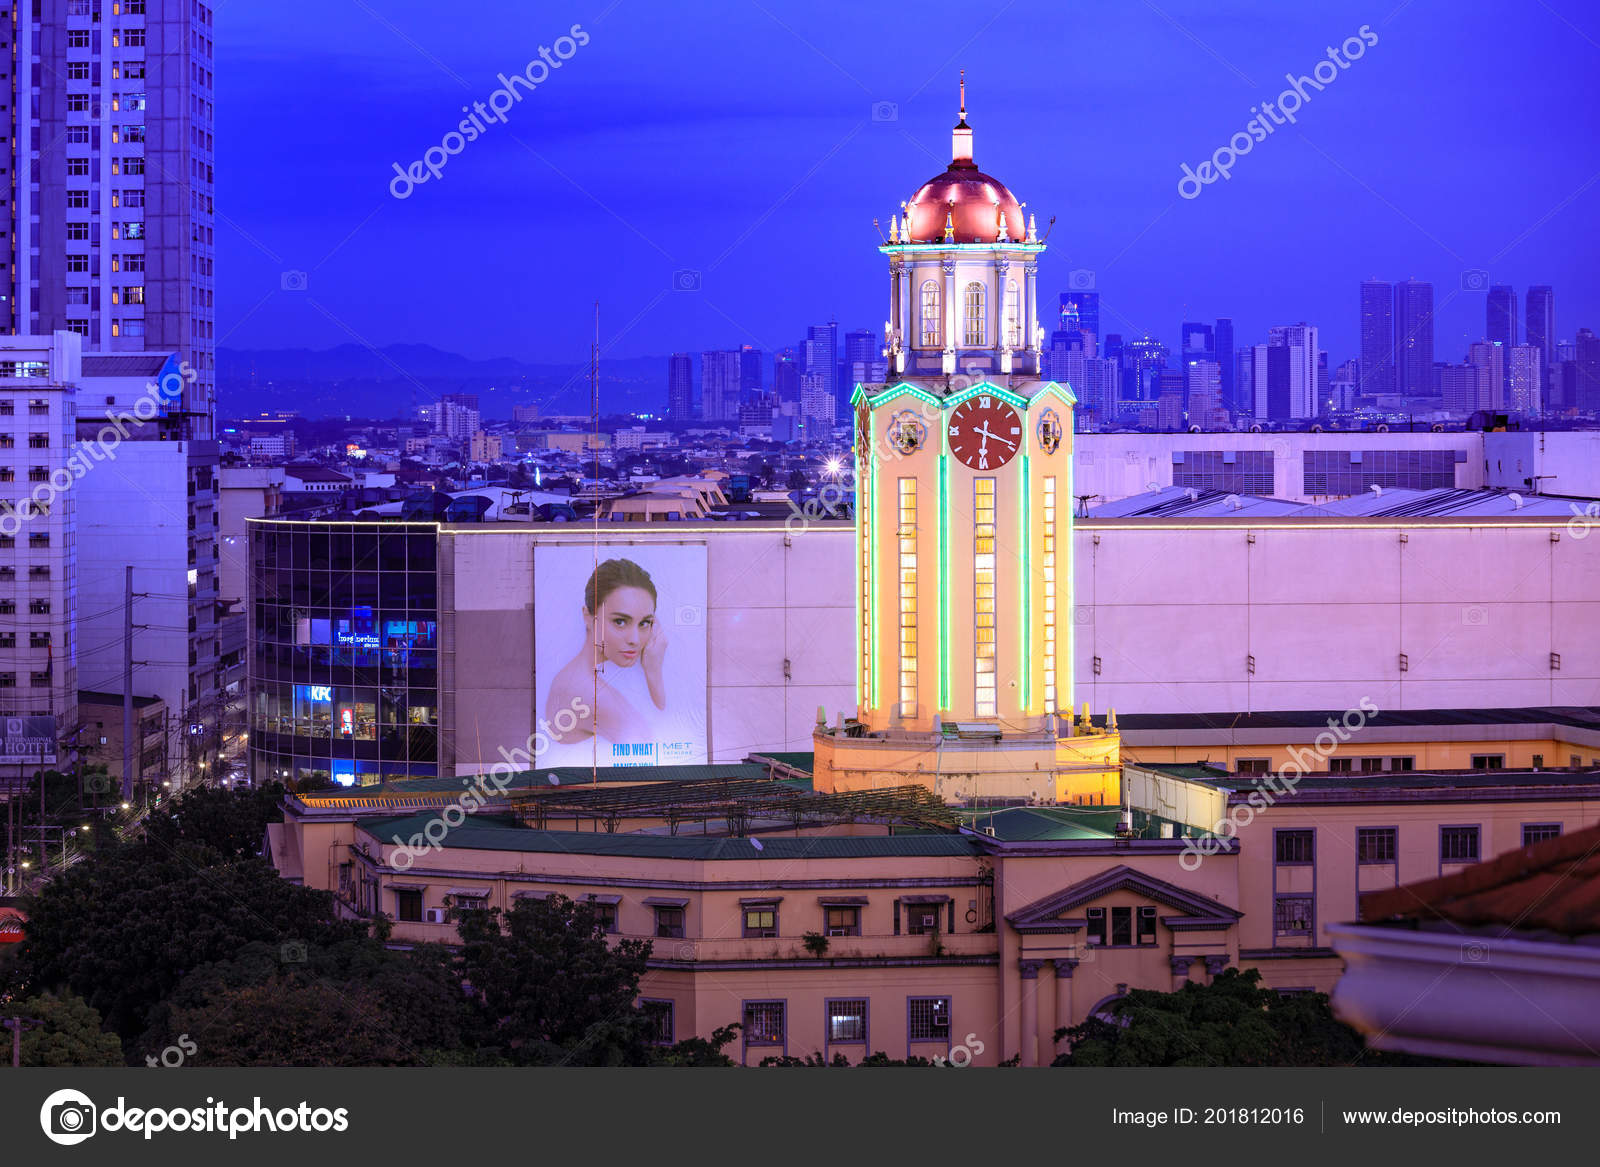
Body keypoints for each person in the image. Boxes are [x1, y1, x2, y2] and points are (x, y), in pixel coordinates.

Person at [544, 557, 668, 750]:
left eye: (644, 623)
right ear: (588, 617)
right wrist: (654, 673)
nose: (635, 639)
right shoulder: (587, 693)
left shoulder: (581, 678)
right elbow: (651, 754)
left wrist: (653, 671)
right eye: (620, 621)